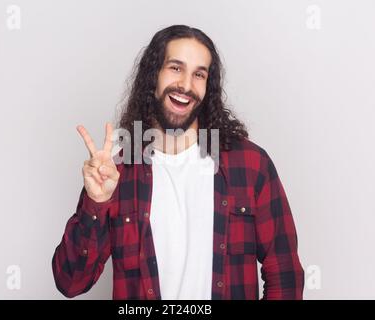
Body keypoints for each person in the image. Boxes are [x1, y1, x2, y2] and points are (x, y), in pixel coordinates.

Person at [52, 25, 304, 300]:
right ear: (154, 76)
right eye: (175, 68)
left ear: (208, 86)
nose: (186, 84)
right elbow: (70, 282)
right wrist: (96, 203)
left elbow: (285, 275)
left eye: (199, 74)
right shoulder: (118, 175)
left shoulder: (251, 165)